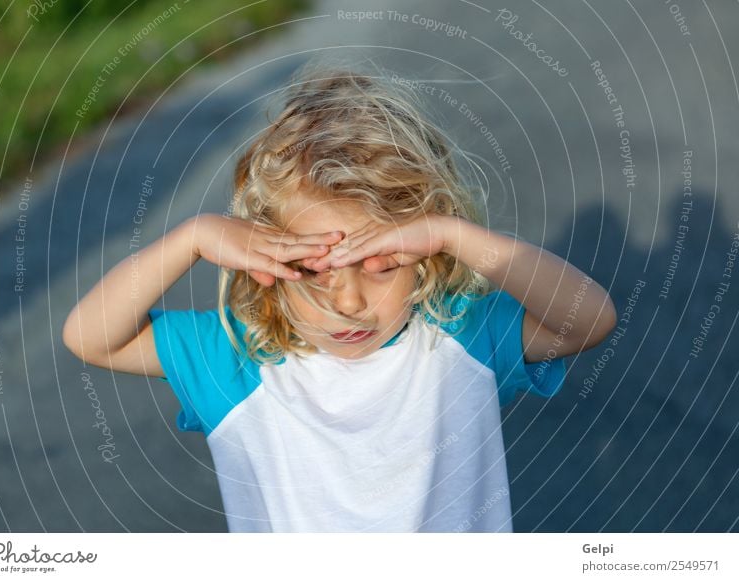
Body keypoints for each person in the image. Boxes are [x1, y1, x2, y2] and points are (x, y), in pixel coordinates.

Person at [62, 62, 617, 532]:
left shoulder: (458, 335)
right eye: (314, 272)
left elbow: (587, 321)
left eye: (382, 269)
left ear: (422, 254)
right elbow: (89, 337)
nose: (348, 303)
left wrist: (455, 235)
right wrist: (193, 238)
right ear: (264, 259)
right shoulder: (234, 361)